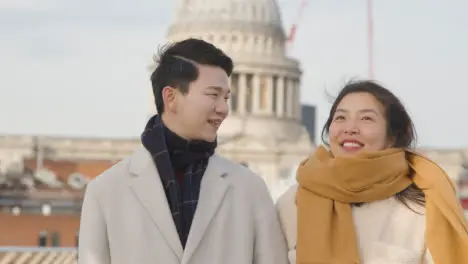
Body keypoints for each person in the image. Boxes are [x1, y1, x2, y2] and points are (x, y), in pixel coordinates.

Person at [78, 38, 288, 264]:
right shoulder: (105, 191)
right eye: (213, 95)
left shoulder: (250, 188)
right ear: (171, 97)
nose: (224, 109)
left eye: (226, 97)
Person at [276, 80, 468, 264]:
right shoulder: (291, 205)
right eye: (341, 117)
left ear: (392, 137)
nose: (350, 128)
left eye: (366, 118)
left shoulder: (424, 210)